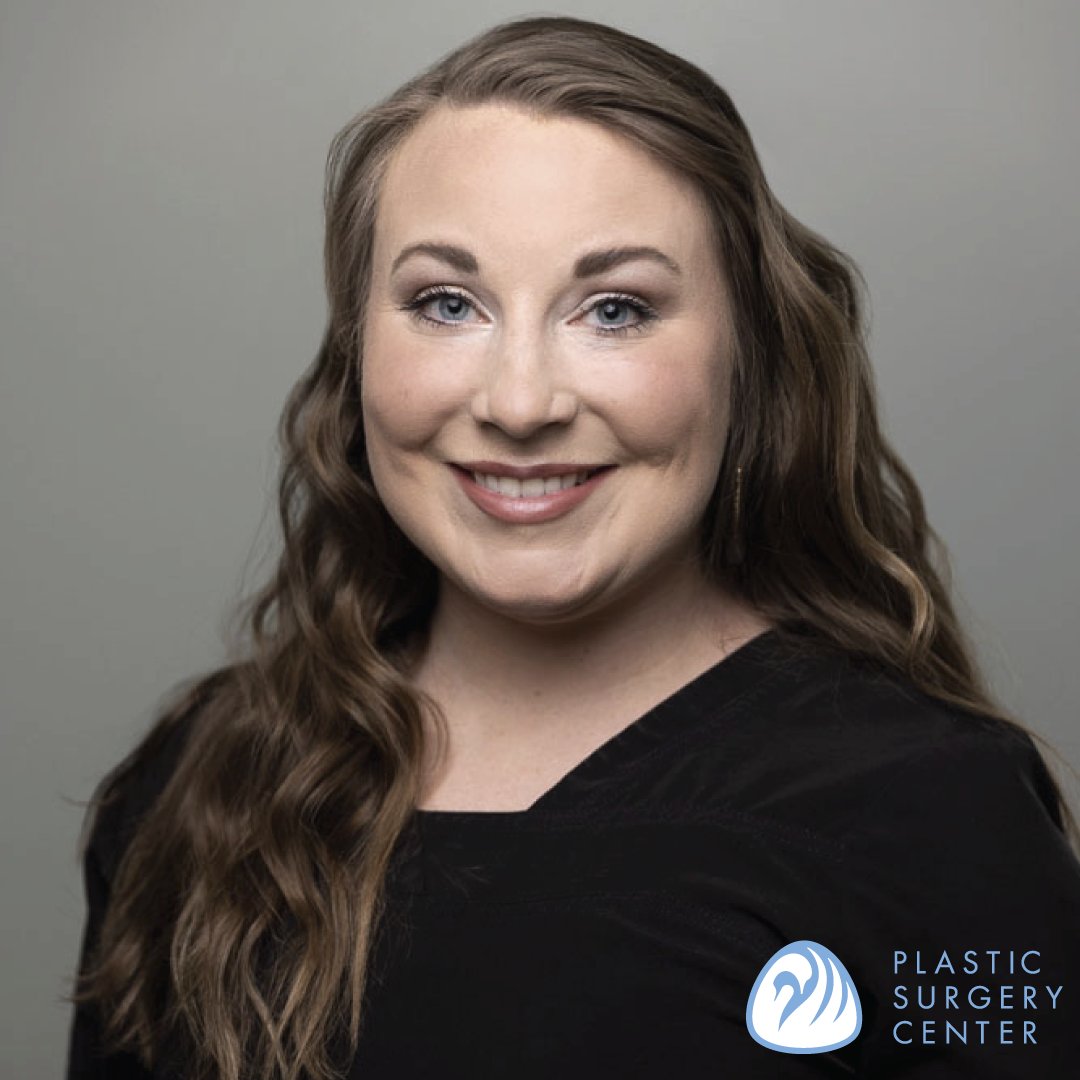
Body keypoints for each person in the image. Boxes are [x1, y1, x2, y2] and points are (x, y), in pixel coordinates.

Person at [65, 14, 1080, 1080]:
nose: (519, 403)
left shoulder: (931, 811)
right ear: (358, 349)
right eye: (446, 303)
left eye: (616, 310)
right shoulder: (199, 779)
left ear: (748, 358)